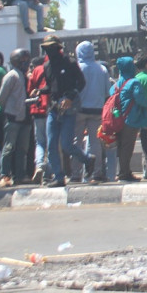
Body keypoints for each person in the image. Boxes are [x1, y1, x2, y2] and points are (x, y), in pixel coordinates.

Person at [40, 35, 93, 188]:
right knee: (51, 145)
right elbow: (50, 87)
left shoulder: (69, 63)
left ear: (58, 48)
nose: (49, 51)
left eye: (52, 48)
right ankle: (59, 176)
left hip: (69, 107)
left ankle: (87, 160)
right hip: (54, 108)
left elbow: (81, 83)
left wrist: (70, 97)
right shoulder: (47, 66)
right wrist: (40, 91)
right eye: (46, 49)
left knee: (66, 144)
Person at [73, 41, 110, 182]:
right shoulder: (102, 69)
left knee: (76, 142)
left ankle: (76, 174)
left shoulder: (77, 68)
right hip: (97, 110)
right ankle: (97, 172)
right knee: (95, 143)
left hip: (79, 110)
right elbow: (107, 92)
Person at [0, 48, 32, 186]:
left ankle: (20, 175)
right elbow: (1, 97)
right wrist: (12, 108)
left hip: (26, 118)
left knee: (22, 149)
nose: (26, 63)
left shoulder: (26, 75)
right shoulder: (12, 75)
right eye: (22, 60)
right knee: (9, 147)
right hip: (13, 117)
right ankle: (5, 174)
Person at [115, 56, 147, 182]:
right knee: (127, 147)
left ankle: (123, 171)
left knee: (121, 146)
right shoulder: (134, 82)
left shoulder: (117, 83)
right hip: (131, 119)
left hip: (118, 118)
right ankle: (124, 173)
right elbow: (139, 97)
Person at [26, 55, 50, 184]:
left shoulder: (36, 71)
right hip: (50, 109)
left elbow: (30, 90)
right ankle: (48, 175)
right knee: (51, 142)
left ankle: (40, 165)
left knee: (40, 142)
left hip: (37, 109)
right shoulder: (51, 67)